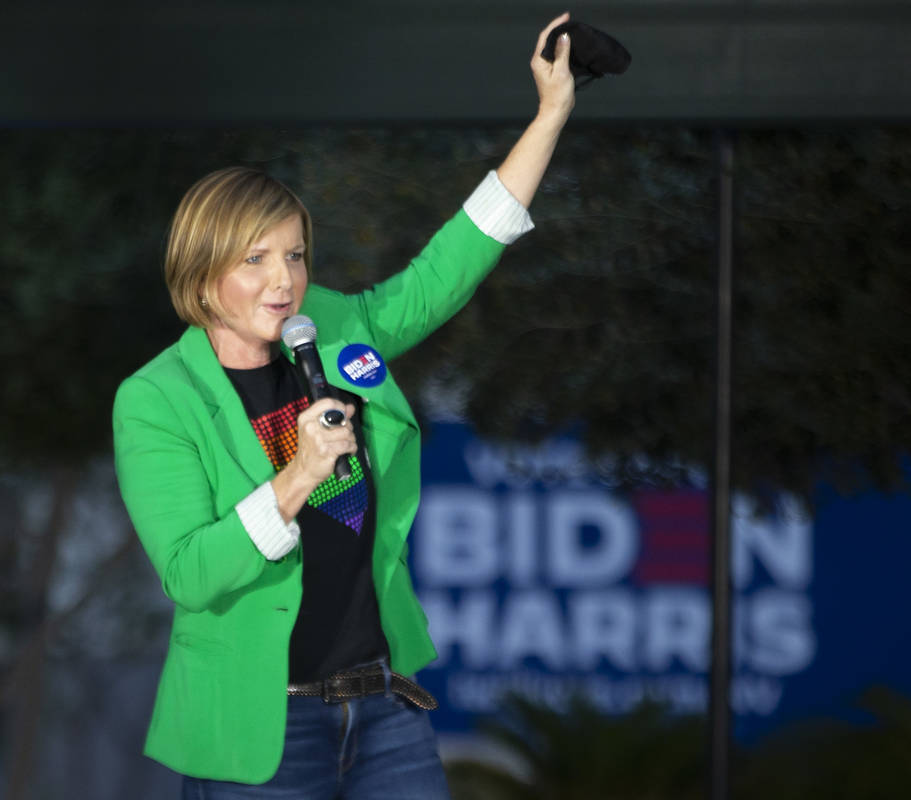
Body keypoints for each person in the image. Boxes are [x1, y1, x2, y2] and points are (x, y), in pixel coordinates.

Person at [112, 14, 576, 799]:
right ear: (202, 273)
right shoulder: (157, 399)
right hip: (261, 725)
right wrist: (299, 474)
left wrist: (550, 116)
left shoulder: (327, 329)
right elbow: (190, 574)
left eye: (294, 254)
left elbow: (446, 270)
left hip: (382, 709)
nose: (284, 280)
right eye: (256, 259)